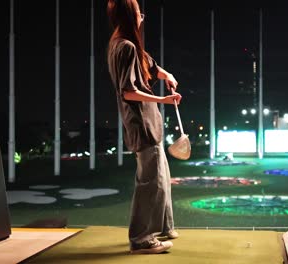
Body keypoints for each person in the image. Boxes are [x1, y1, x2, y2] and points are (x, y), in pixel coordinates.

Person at [107, 0, 181, 254]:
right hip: (141, 125)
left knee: (161, 178)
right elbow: (128, 92)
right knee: (150, 181)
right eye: (139, 13)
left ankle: (164, 227)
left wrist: (167, 75)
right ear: (130, 17)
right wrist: (162, 99)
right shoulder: (125, 47)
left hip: (150, 123)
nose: (142, 17)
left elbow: (151, 66)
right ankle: (140, 238)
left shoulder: (128, 45)